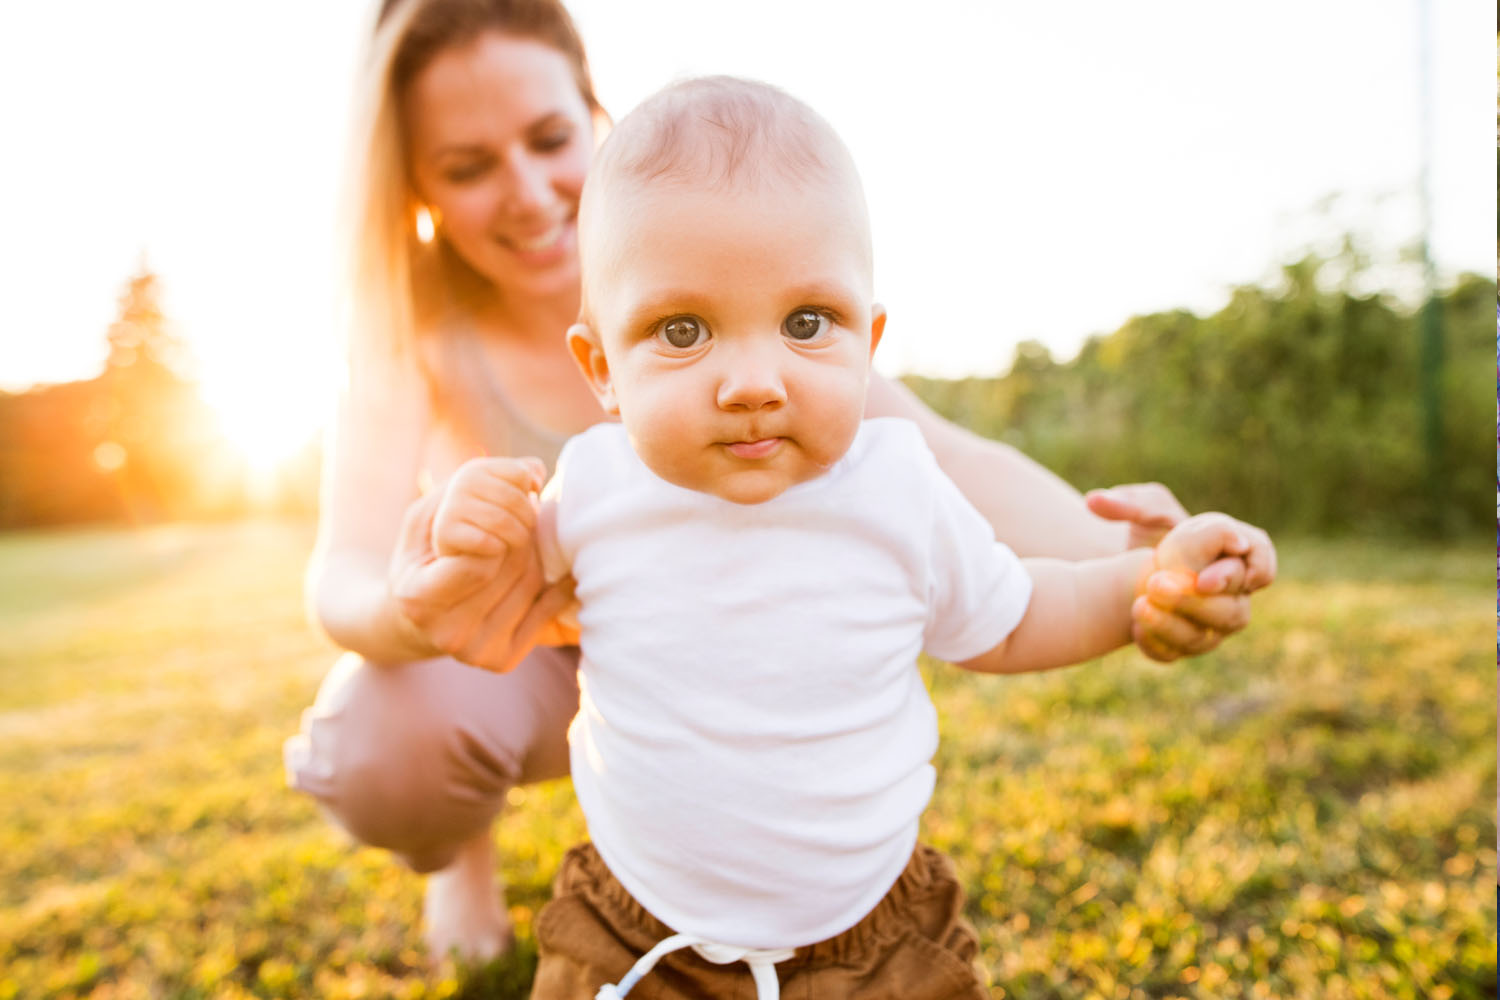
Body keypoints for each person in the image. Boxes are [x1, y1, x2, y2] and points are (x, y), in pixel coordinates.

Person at [282, 0, 1276, 967]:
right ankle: (461, 850)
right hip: (528, 644)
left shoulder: (754, 255)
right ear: (414, 186)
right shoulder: (410, 337)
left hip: (742, 669)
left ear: (592, 112)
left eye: (548, 138)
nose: (531, 191)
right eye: (467, 166)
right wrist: (428, 602)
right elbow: (346, 573)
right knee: (384, 741)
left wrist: (1137, 565)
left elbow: (946, 465)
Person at [514, 74, 1274, 1000]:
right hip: (633, 928)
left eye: (806, 323)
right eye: (683, 330)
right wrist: (463, 527)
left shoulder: (896, 490)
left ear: (867, 342)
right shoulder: (592, 487)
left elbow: (1016, 616)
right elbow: (496, 579)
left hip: (872, 945)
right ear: (600, 367)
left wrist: (1148, 581)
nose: (754, 381)